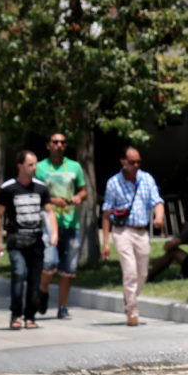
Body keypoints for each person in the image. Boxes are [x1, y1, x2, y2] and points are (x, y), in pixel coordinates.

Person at [0, 150, 58, 330]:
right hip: (16, 240)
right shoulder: (8, 188)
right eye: (30, 164)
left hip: (36, 240)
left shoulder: (41, 188)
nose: (34, 168)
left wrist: (54, 233)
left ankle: (30, 316)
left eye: (35, 164)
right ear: (20, 166)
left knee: (34, 279)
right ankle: (16, 314)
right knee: (19, 273)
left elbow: (49, 212)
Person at [101, 146, 164, 326]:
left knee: (142, 273)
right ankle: (132, 310)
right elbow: (106, 213)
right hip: (122, 231)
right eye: (132, 162)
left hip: (142, 231)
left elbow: (157, 201)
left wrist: (159, 217)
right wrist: (106, 243)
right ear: (123, 162)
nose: (136, 165)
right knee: (130, 271)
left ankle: (129, 297)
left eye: (138, 162)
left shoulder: (146, 179)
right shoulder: (113, 183)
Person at [35, 132, 87, 320]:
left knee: (69, 268)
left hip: (71, 223)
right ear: (48, 145)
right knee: (49, 262)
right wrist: (52, 200)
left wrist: (78, 197)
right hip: (48, 223)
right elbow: (34, 193)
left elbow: (83, 191)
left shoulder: (74, 166)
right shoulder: (40, 167)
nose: (59, 145)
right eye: (55, 142)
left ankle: (63, 307)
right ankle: (43, 290)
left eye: (63, 142)